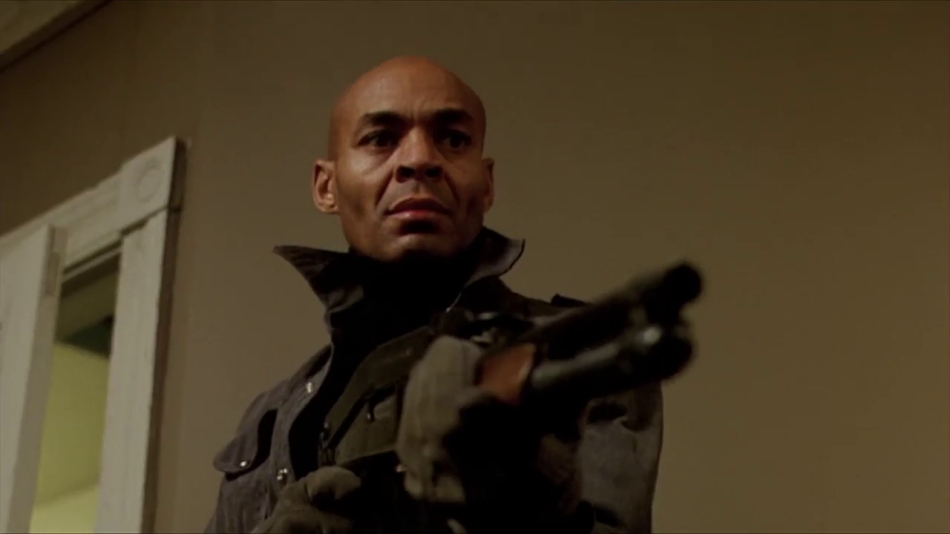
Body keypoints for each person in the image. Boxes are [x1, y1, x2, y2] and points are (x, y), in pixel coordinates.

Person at [204, 56, 664, 534]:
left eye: (453, 140)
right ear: (326, 186)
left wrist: (533, 507)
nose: (419, 159)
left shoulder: (576, 354)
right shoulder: (271, 415)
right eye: (380, 139)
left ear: (486, 184)